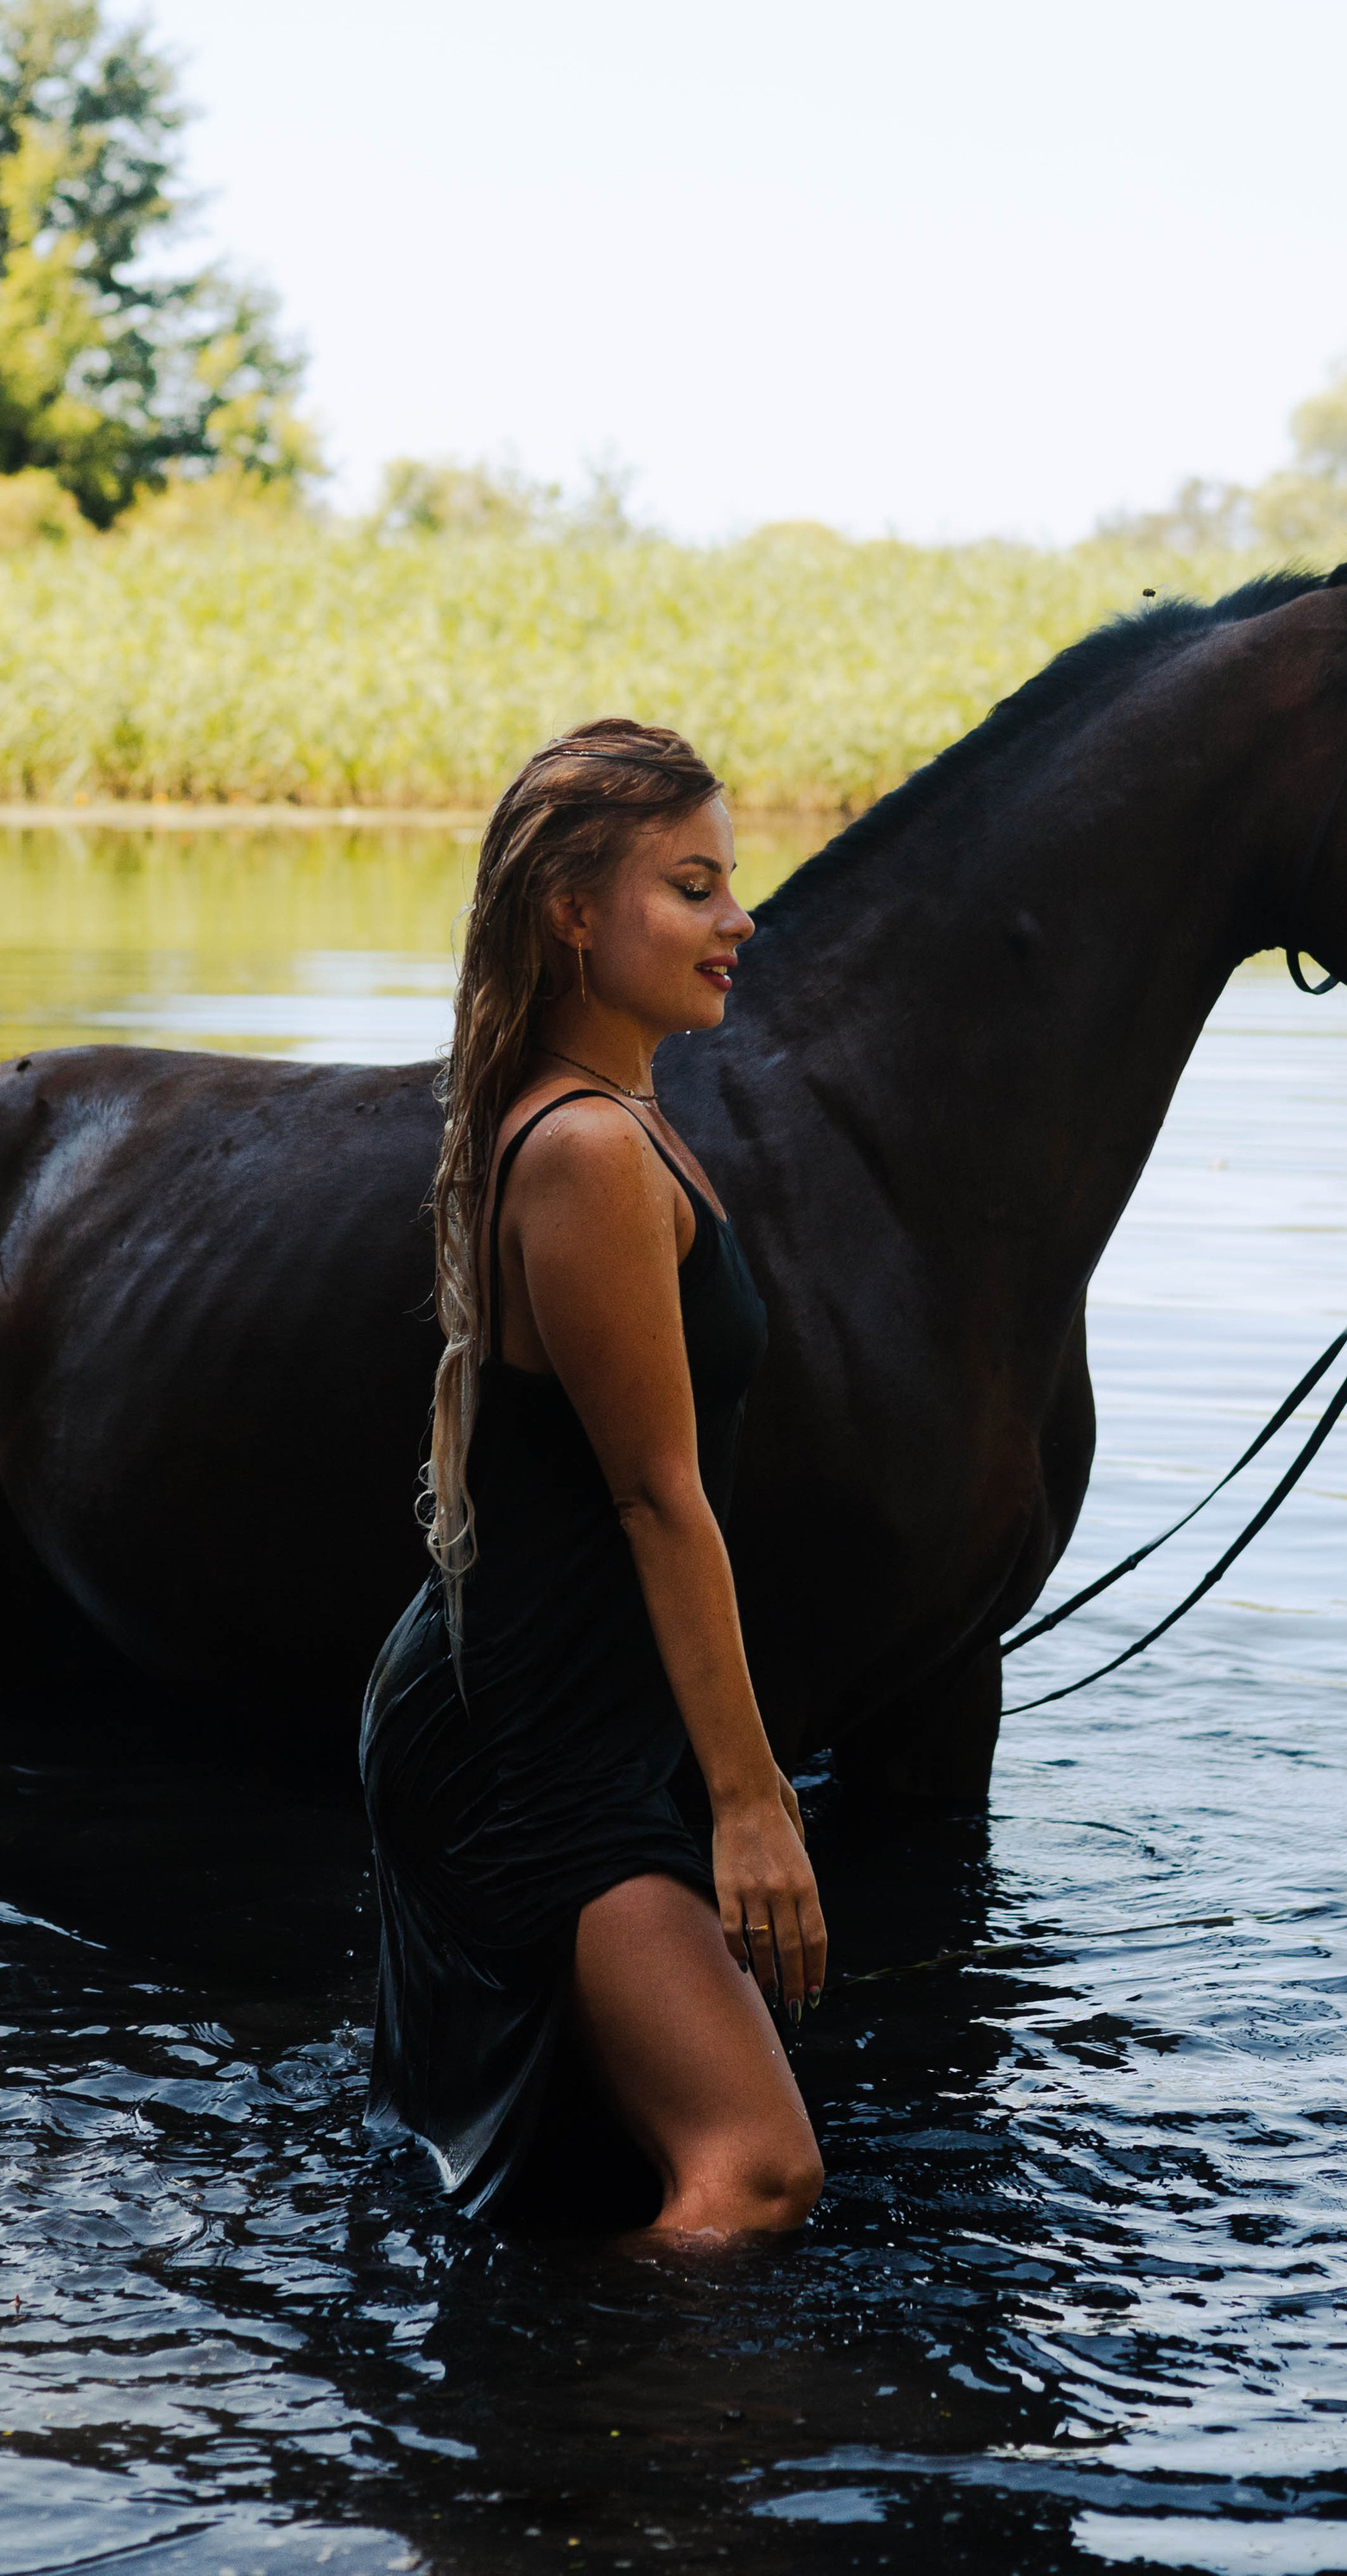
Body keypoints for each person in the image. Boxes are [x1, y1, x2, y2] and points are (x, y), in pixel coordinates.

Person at [359, 718, 827, 2237]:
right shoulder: (585, 1152)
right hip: (528, 1747)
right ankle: (574, 2438)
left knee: (584, 2166)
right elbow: (654, 1496)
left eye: (731, 883)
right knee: (753, 2173)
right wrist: (751, 1806)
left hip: (554, 1712)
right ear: (573, 913)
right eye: (693, 886)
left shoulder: (622, 1121)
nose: (738, 920)